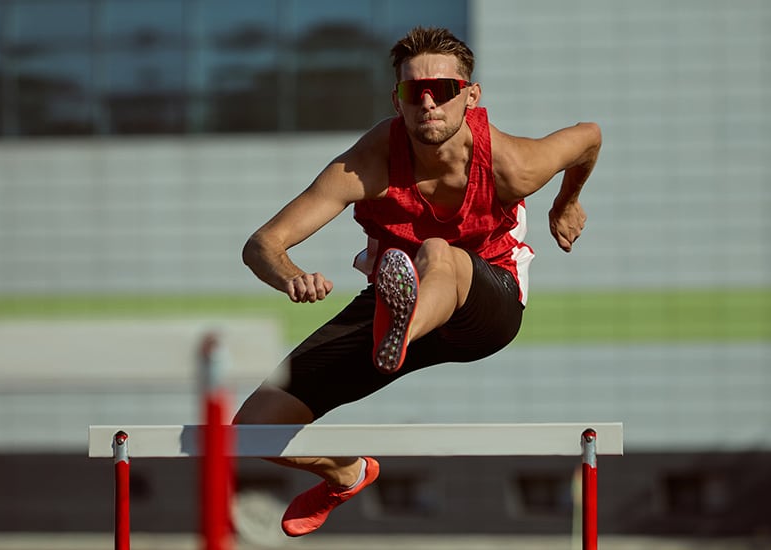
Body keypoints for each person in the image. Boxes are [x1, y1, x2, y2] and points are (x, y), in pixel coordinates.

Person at [233, 26, 602, 537]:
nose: (428, 103)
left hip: (486, 306)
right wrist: (291, 276)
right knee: (253, 428)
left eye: (443, 90)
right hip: (393, 301)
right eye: (414, 91)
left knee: (437, 253)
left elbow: (589, 135)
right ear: (397, 100)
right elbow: (263, 244)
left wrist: (566, 201)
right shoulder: (368, 163)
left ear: (470, 96)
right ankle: (346, 474)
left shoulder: (513, 165)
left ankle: (402, 327)